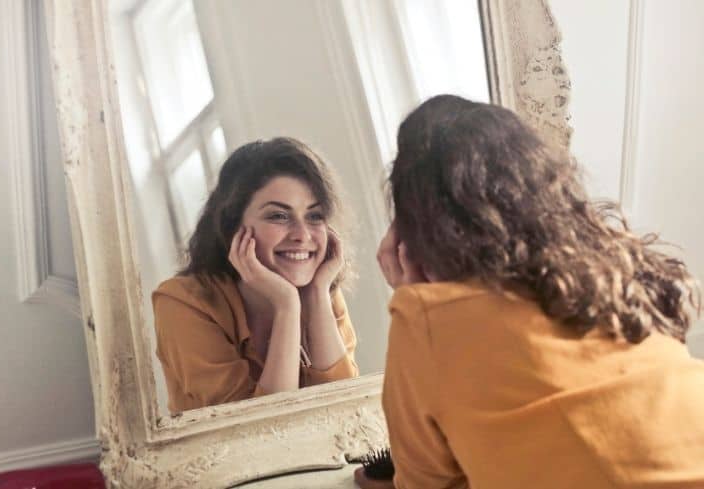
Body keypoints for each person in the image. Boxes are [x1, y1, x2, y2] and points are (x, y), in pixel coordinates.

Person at [372, 95, 704, 488]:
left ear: (413, 235)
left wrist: (409, 295)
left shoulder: (427, 319)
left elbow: (425, 485)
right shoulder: (614, 270)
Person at [152, 137, 359, 414]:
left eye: (314, 216)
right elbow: (255, 429)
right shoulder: (182, 302)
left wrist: (317, 296)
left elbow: (345, 411)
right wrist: (286, 306)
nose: (302, 235)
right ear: (232, 227)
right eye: (278, 216)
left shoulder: (320, 290)